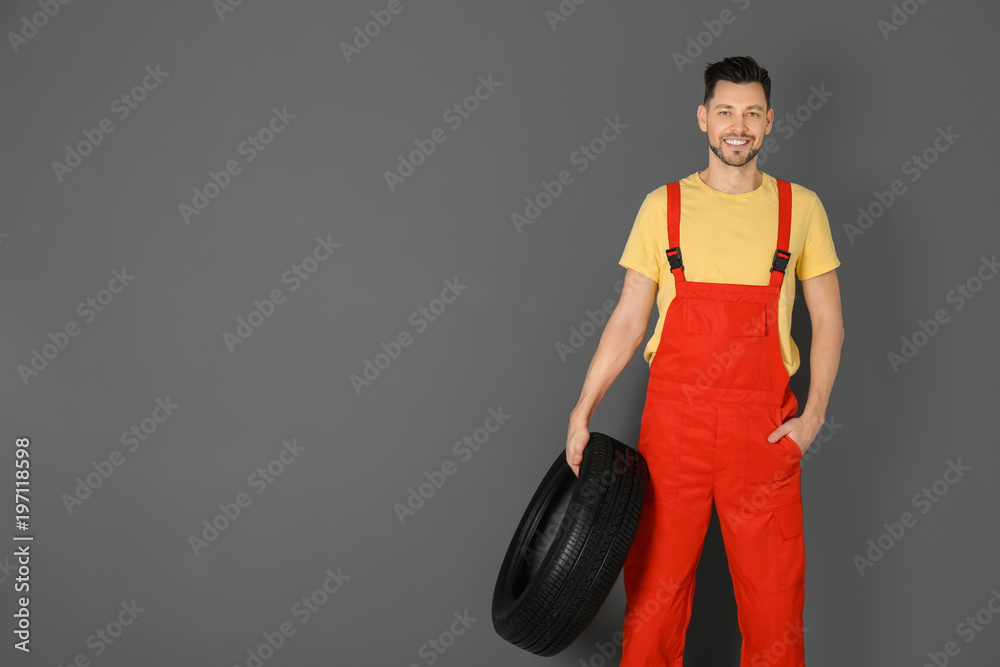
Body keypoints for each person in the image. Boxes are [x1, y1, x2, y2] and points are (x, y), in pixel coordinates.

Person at [564, 56, 844, 666]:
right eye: (724, 112)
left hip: (764, 432)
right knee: (654, 606)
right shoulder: (661, 207)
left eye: (750, 113)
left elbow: (829, 321)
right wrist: (582, 410)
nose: (736, 125)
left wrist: (813, 418)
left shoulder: (801, 209)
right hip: (674, 434)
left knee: (775, 611)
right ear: (703, 119)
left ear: (769, 121)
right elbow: (628, 318)